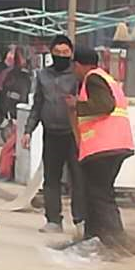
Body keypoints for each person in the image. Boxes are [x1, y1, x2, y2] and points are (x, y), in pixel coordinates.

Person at [70, 47, 135, 248]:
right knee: (95, 192)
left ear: (79, 65)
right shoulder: (106, 78)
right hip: (116, 144)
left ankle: (116, 239)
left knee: (100, 193)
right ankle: (95, 237)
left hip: (104, 146)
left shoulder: (93, 79)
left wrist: (76, 105)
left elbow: (105, 105)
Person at [24, 35, 84, 234]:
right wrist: (28, 131)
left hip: (74, 134)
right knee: (51, 179)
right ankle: (53, 220)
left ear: (71, 54)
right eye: (57, 53)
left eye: (65, 53)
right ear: (51, 54)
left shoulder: (77, 75)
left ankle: (80, 220)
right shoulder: (42, 75)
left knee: (78, 177)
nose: (61, 56)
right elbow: (37, 105)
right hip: (51, 133)